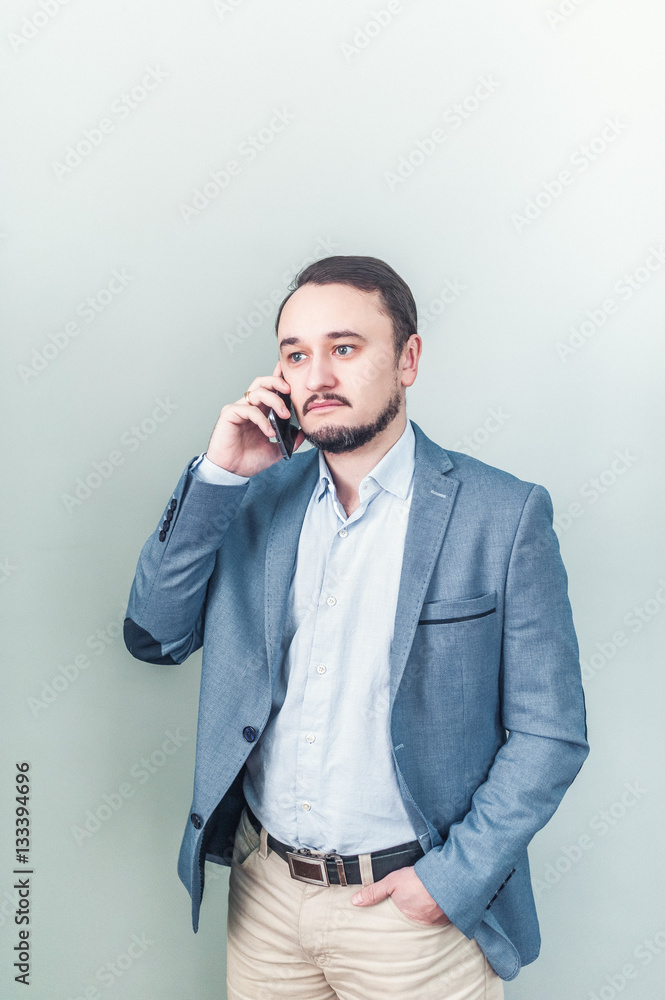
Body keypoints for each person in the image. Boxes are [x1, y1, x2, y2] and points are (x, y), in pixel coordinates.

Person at [124, 255, 589, 999]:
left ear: (407, 359)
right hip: (266, 898)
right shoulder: (249, 499)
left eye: (345, 348)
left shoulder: (500, 516)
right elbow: (154, 635)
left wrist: (449, 880)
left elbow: (550, 733)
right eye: (295, 354)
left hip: (412, 916)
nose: (317, 376)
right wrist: (218, 476)